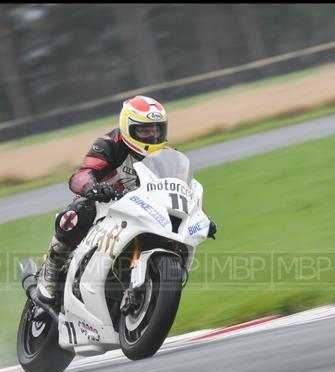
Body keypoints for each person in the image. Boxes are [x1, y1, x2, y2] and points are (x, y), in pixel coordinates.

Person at [35, 95, 215, 303]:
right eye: (145, 130)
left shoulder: (167, 156)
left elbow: (181, 190)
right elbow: (81, 175)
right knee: (78, 213)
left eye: (157, 129)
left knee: (173, 238)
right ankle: (52, 269)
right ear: (128, 127)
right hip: (104, 205)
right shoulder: (109, 144)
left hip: (139, 210)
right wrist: (93, 187)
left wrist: (199, 216)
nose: (153, 135)